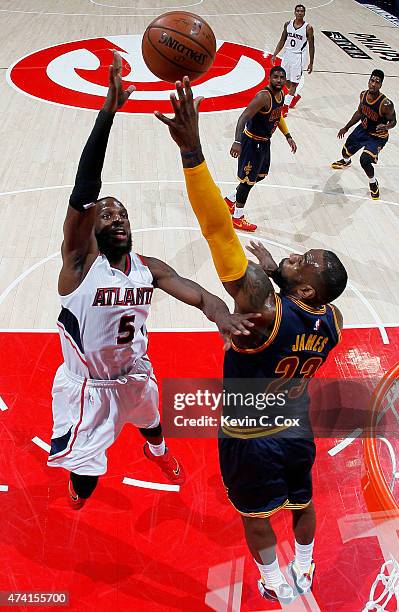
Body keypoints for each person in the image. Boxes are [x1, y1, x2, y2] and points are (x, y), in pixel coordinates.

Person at [155, 78, 347, 604]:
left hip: (248, 434)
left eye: (303, 260)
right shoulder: (333, 321)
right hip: (296, 425)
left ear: (303, 286)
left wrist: (192, 151)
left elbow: (218, 230)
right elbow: (309, 302)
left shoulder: (261, 305)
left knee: (257, 517)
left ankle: (272, 581)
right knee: (302, 503)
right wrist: (287, 278)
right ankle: (304, 568)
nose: (296, 253)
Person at [47, 51, 259, 510]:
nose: (116, 215)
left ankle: (157, 451)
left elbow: (200, 294)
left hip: (135, 373)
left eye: (121, 211)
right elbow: (85, 189)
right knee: (85, 481)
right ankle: (80, 490)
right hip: (90, 389)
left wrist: (221, 316)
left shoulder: (150, 267)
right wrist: (107, 113)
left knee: (153, 422)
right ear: (92, 228)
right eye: (106, 213)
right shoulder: (80, 266)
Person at [224, 66, 297, 232]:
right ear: (269, 78)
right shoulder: (263, 97)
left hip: (264, 142)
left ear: (285, 80)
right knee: (247, 181)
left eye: (281, 77)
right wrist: (237, 141)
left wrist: (288, 136)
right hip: (251, 143)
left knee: (260, 176)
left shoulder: (281, 94)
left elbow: (278, 117)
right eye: (275, 77)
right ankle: (237, 217)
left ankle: (230, 200)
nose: (279, 80)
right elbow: (243, 117)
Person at [331, 69, 396, 200]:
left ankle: (373, 183)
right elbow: (359, 112)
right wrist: (346, 127)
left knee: (364, 161)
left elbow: (394, 121)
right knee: (345, 152)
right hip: (363, 130)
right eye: (372, 80)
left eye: (377, 82)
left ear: (381, 85)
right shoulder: (363, 95)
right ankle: (346, 161)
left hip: (377, 137)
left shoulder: (386, 104)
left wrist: (387, 126)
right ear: (368, 81)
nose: (373, 84)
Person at [271, 4, 315, 116]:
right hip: (287, 55)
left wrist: (311, 62)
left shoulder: (308, 28)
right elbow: (282, 40)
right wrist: (275, 54)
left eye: (302, 11)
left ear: (304, 13)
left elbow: (311, 46)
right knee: (284, 80)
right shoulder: (288, 24)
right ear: (294, 12)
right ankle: (294, 96)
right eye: (298, 11)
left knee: (294, 83)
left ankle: (285, 108)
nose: (300, 13)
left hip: (299, 56)